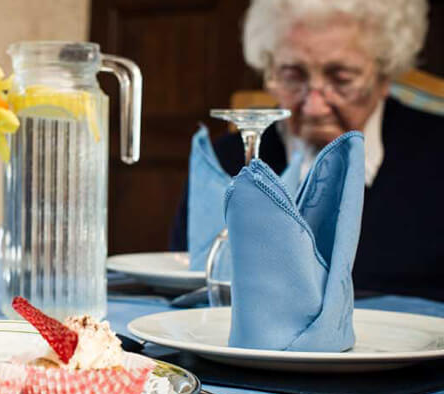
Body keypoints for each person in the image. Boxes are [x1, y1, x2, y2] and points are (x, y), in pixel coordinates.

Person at [172, 0, 444, 300]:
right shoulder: (225, 163)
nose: (314, 107)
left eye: (341, 79)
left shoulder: (436, 156)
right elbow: (187, 287)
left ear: (384, 77)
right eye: (293, 75)